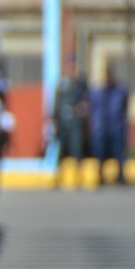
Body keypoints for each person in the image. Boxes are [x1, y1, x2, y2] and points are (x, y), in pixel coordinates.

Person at [51, 55, 89, 187]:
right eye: (68, 66)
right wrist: (54, 118)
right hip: (63, 120)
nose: (70, 68)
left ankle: (79, 176)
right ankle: (58, 176)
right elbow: (56, 102)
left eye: (72, 66)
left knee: (76, 148)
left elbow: (85, 99)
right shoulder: (62, 83)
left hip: (74, 120)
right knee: (61, 150)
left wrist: (82, 110)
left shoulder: (80, 83)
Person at [90, 68, 129, 185]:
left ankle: (121, 176)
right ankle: (100, 176)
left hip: (116, 127)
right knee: (100, 154)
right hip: (102, 128)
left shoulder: (119, 92)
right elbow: (95, 109)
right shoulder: (99, 92)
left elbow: (124, 107)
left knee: (119, 154)